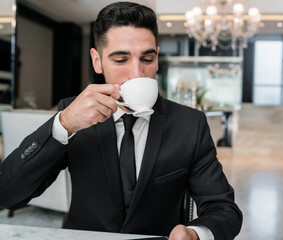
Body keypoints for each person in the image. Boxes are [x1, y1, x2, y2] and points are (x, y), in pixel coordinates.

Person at [0, 2, 242, 239]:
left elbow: (224, 210)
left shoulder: (189, 124)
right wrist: (63, 124)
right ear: (97, 61)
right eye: (120, 60)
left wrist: (195, 234)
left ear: (157, 58)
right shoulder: (73, 114)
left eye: (147, 59)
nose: (137, 73)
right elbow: (8, 194)